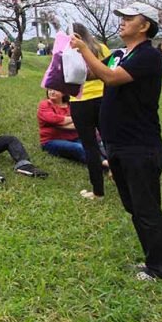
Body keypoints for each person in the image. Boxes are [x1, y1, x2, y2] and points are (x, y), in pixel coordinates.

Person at [70, 1, 162, 282]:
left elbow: (110, 78)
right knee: (133, 208)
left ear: (145, 25)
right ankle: (152, 261)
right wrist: (74, 56)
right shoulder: (119, 54)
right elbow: (93, 73)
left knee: (146, 209)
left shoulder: (149, 56)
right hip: (118, 144)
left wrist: (83, 50)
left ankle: (161, 270)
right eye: (122, 17)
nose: (122, 21)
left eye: (130, 17)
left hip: (139, 145)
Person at [69, 23, 112, 201]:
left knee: (90, 146)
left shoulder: (69, 51)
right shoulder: (101, 48)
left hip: (80, 101)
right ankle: (119, 175)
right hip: (103, 98)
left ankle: (98, 192)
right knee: (110, 141)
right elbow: (110, 71)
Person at [37, 89, 85, 163]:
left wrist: (60, 124)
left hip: (75, 137)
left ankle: (107, 161)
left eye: (55, 90)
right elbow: (53, 119)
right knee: (78, 148)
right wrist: (74, 118)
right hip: (51, 141)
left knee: (93, 145)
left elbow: (82, 121)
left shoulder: (71, 104)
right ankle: (104, 164)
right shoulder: (45, 104)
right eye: (50, 89)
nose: (52, 92)